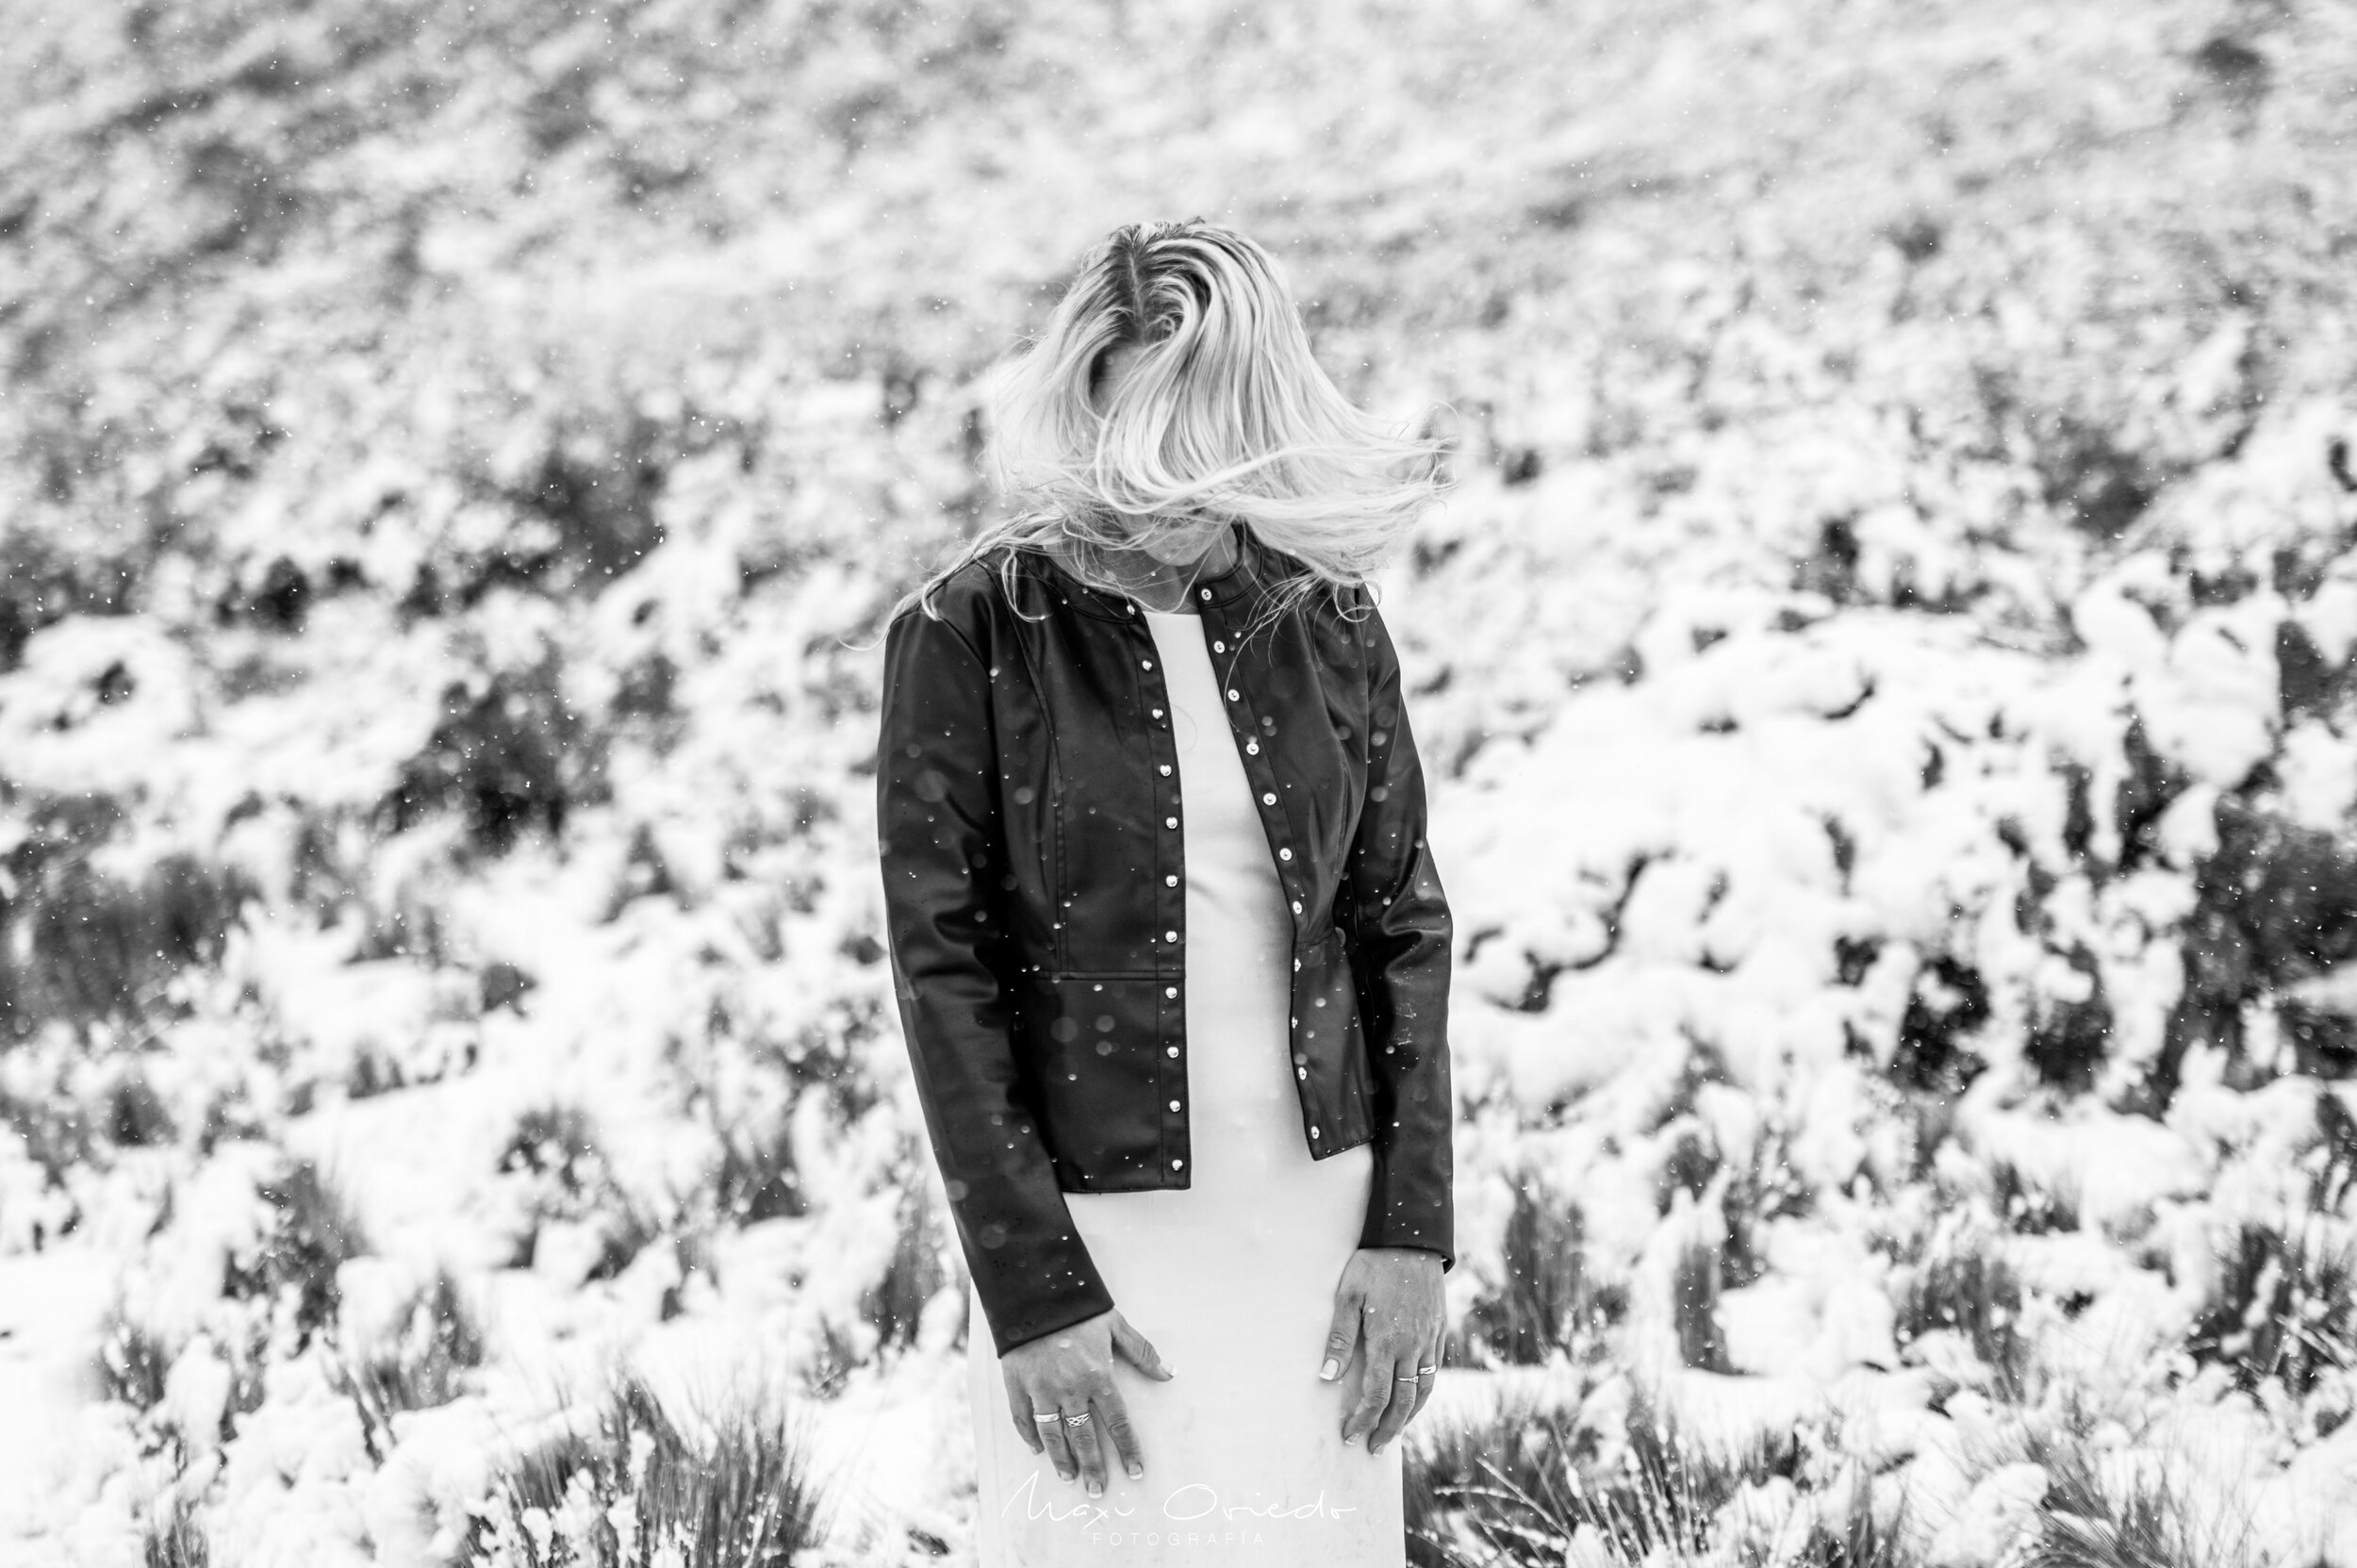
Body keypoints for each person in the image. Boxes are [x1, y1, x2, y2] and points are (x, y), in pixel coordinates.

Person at [873, 218, 1458, 1566]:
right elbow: (943, 978)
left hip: (1325, 1243)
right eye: (1135, 449)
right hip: (1100, 1255)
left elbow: (1400, 926)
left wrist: (1412, 1235)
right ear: (1079, 413)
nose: (1163, 502)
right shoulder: (966, 636)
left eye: (1205, 459)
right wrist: (1031, 1296)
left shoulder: (1328, 614)